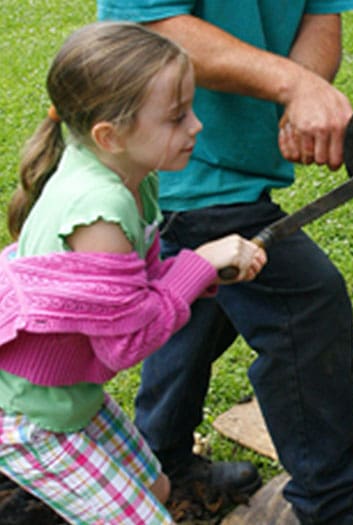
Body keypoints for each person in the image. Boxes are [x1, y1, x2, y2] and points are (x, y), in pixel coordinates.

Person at [95, 1, 353, 524]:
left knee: (199, 306)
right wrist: (291, 85)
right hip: (173, 156)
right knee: (304, 304)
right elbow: (151, 25)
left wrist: (305, 90)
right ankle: (334, 505)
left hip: (228, 162)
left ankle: (163, 463)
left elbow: (322, 15)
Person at [0, 21, 267, 524]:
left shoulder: (130, 178)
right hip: (33, 418)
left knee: (159, 486)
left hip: (71, 399)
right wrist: (198, 263)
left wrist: (205, 276)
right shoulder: (98, 208)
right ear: (111, 134)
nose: (196, 126)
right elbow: (125, 341)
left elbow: (134, 287)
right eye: (175, 117)